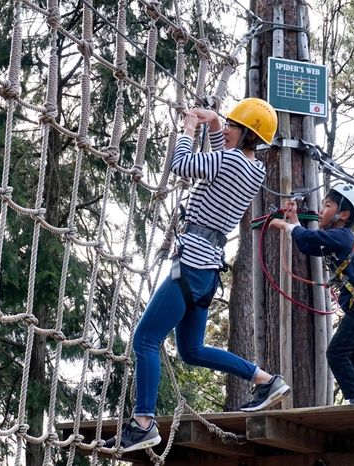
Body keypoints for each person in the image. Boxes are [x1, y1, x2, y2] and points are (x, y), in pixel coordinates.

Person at [103, 98, 290, 453]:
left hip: (191, 261)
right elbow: (222, 162)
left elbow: (182, 165)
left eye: (234, 126)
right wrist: (217, 124)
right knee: (191, 350)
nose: (228, 131)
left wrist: (189, 130)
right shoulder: (255, 169)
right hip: (207, 266)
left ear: (246, 133)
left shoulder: (232, 160)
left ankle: (143, 422)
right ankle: (265, 380)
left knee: (145, 340)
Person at [269, 184, 354, 405]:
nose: (320, 210)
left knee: (336, 353)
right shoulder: (335, 240)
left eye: (327, 205)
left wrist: (285, 226)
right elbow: (308, 245)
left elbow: (310, 237)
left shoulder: (343, 236)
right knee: (352, 359)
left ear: (343, 214)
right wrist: (294, 220)